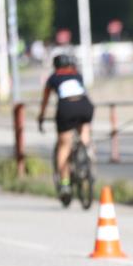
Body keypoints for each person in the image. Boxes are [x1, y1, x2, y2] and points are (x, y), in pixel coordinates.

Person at [37, 52, 95, 198]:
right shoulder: (77, 75)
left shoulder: (53, 78)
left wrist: (41, 117)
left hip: (66, 109)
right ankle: (87, 150)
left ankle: (65, 184)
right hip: (85, 105)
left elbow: (45, 101)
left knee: (64, 145)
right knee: (84, 129)